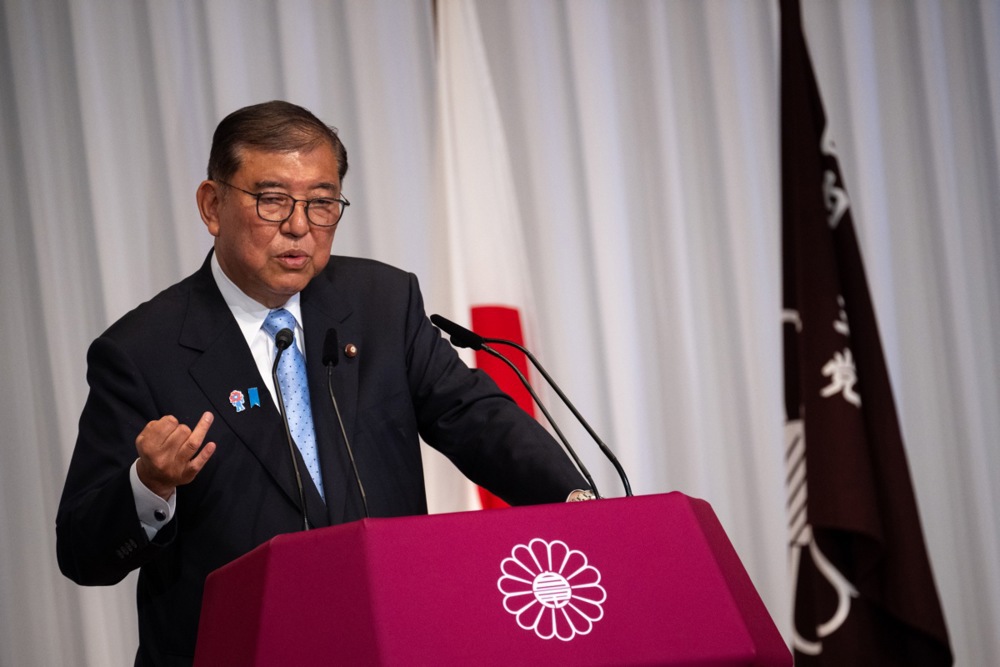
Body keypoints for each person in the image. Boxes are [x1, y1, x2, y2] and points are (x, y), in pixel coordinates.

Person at [56, 100, 589, 666]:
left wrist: (578, 503)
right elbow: (83, 553)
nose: (299, 226)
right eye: (272, 200)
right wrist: (149, 484)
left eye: (322, 203)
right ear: (213, 206)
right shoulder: (142, 352)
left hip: (393, 642)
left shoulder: (382, 304)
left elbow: (477, 419)